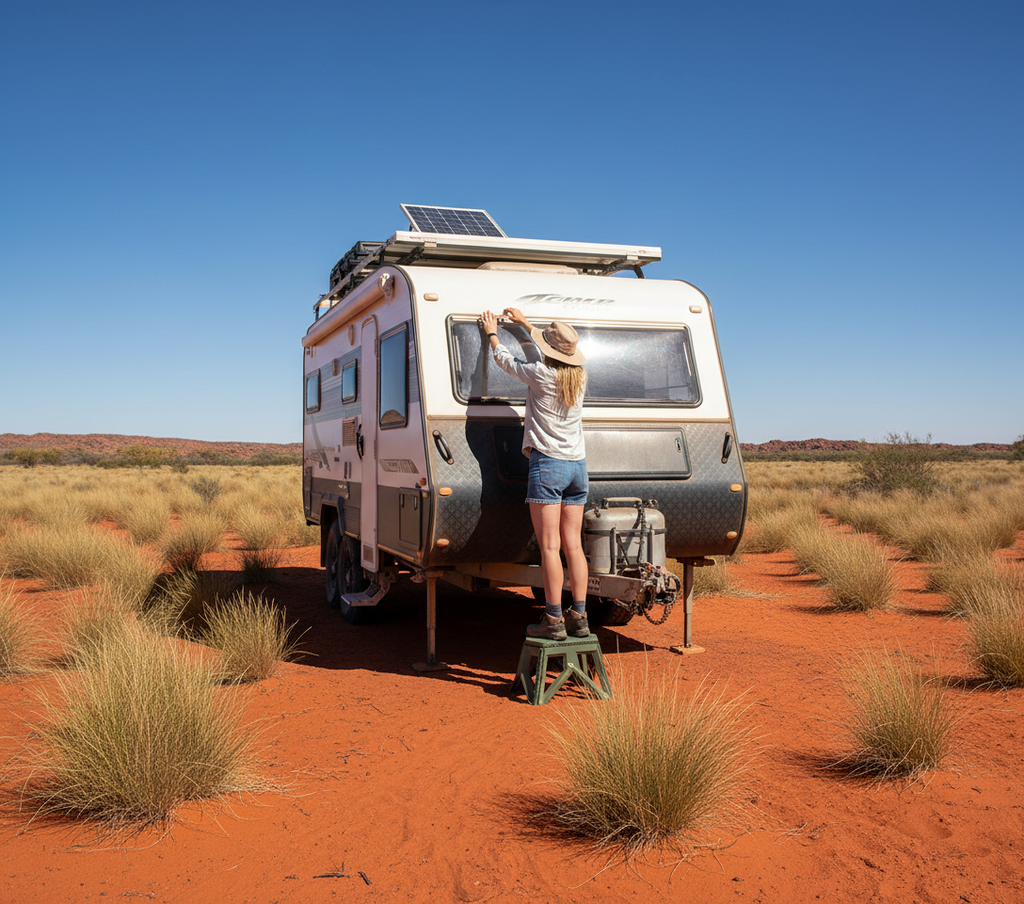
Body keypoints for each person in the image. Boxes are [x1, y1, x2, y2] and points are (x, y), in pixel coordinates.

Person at [479, 306, 590, 641]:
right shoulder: (579, 377)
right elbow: (542, 353)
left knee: (549, 548)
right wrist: (527, 325)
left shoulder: (541, 375)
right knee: (573, 546)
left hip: (549, 465)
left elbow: (505, 361)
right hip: (578, 467)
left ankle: (553, 619)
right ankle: (580, 616)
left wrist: (492, 333)